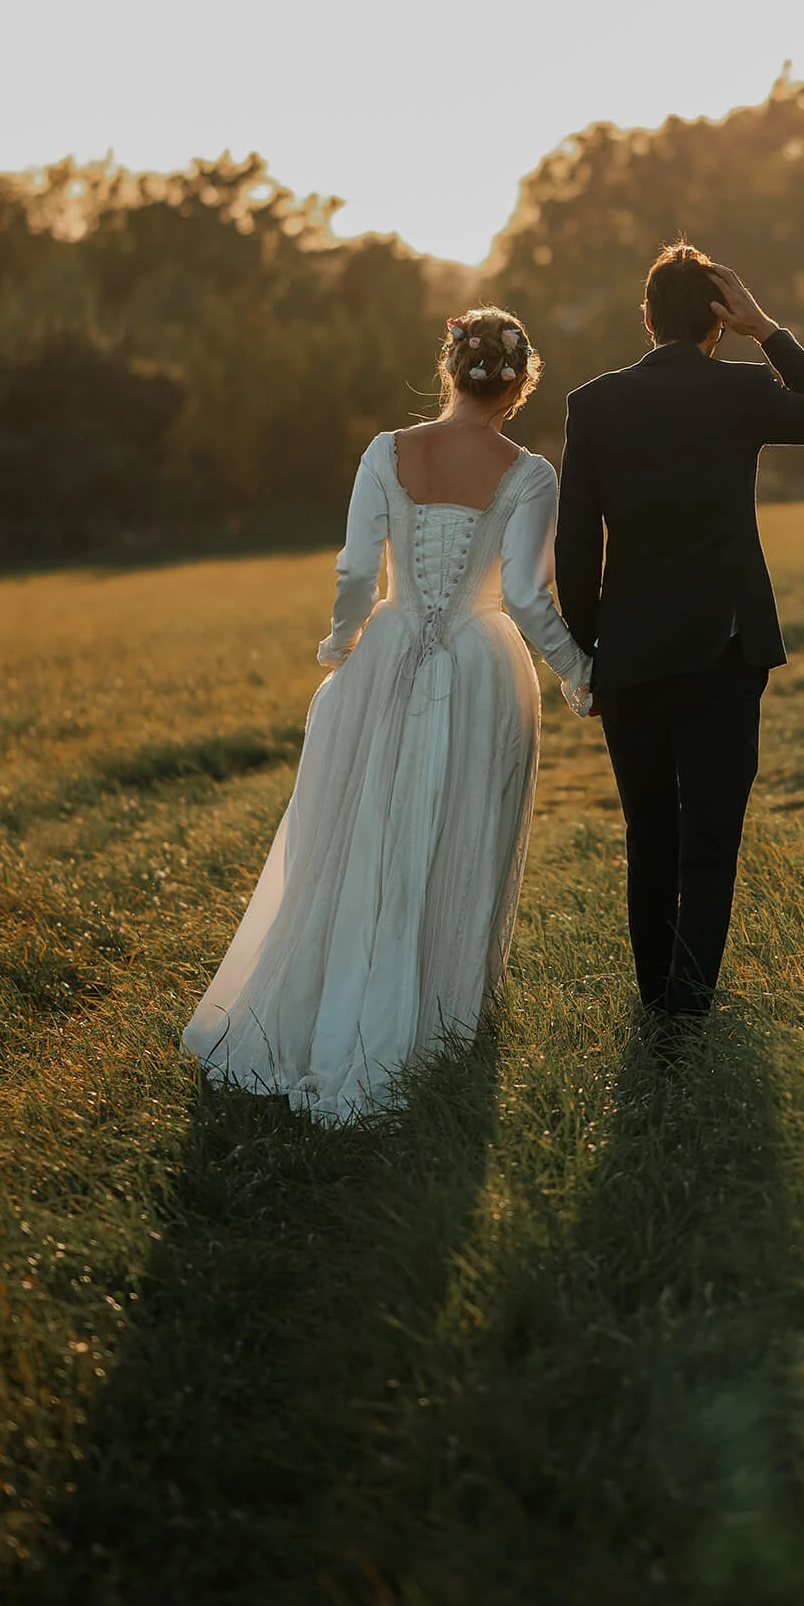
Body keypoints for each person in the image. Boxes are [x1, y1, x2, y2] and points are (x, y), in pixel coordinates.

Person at [182, 308, 591, 1122]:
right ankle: (431, 1015)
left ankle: (330, 1004)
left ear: (450, 370)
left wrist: (341, 644)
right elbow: (520, 594)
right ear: (520, 384)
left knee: (360, 828)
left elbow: (355, 569)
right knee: (452, 833)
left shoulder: (386, 452)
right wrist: (579, 670)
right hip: (480, 664)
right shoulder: (530, 472)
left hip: (388, 645)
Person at [555, 245, 804, 1042]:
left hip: (628, 655)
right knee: (710, 841)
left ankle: (656, 1004)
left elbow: (576, 544)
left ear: (647, 318)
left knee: (647, 834)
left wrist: (587, 650)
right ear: (716, 325)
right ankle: (687, 1015)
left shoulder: (592, 404)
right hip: (725, 653)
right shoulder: (741, 388)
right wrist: (769, 331)